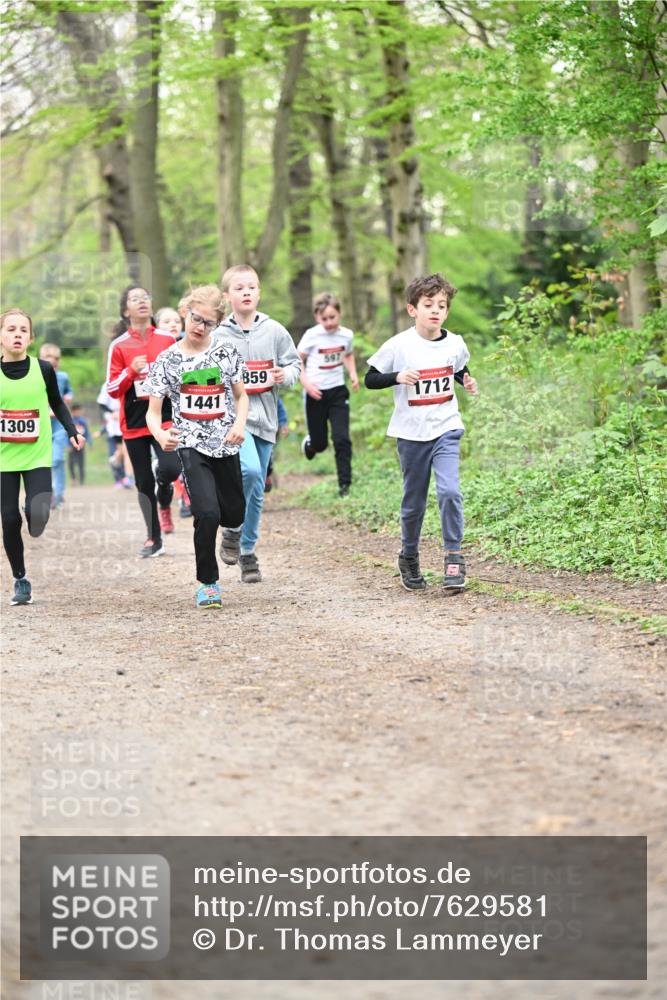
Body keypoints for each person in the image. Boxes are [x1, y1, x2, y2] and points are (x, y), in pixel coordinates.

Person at [365, 273, 478, 594]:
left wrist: (466, 381)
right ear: (412, 309)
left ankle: (454, 558)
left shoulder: (455, 342)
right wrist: (397, 376)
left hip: (446, 428)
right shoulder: (399, 344)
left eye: (442, 305)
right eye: (429, 305)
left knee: (450, 491)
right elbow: (371, 378)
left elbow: (458, 368)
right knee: (414, 502)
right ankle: (409, 556)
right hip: (411, 433)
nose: (436, 310)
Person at [144, 285, 248, 608]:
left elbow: (241, 395)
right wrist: (160, 435)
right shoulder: (168, 359)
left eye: (208, 322)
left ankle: (233, 532)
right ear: (184, 313)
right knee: (206, 512)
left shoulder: (226, 351)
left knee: (234, 512)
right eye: (195, 318)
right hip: (190, 444)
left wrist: (239, 424)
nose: (200, 326)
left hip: (226, 443)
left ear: (218, 324)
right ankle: (208, 583)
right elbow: (152, 412)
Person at [213, 264, 301, 583]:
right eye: (239, 288)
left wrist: (283, 375)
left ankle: (247, 552)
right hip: (233, 420)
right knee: (249, 471)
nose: (246, 292)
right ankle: (233, 530)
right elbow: (204, 372)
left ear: (259, 292)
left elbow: (294, 365)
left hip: (266, 418)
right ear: (227, 296)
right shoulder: (218, 335)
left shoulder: (274, 330)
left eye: (251, 287)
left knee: (258, 487)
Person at [0, 309, 84, 605]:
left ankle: (34, 517)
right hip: (3, 459)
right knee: (9, 519)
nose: (17, 334)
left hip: (37, 454)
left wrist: (72, 430)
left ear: (31, 338)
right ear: (1, 336)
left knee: (37, 515)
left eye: (23, 330)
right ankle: (20, 579)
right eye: (11, 329)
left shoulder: (44, 369)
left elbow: (57, 403)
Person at [106, 286, 181, 557]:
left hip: (165, 418)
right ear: (126, 310)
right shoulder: (119, 345)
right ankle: (153, 538)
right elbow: (111, 388)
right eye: (135, 299)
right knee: (142, 482)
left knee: (171, 469)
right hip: (134, 422)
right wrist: (130, 371)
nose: (142, 302)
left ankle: (165, 486)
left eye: (146, 297)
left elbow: (182, 376)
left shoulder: (167, 339)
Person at [298, 292, 358, 497]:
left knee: (342, 439)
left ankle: (344, 485)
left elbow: (348, 354)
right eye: (324, 319)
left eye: (332, 317)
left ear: (339, 313)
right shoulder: (311, 336)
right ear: (317, 317)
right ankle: (311, 444)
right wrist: (307, 384)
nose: (329, 322)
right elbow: (297, 360)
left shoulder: (346, 335)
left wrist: (352, 373)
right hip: (316, 393)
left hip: (338, 392)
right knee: (320, 444)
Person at [38, 343, 73, 510]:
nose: (53, 361)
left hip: (59, 425)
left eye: (56, 358)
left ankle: (58, 494)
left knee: (57, 459)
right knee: (41, 462)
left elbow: (69, 392)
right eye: (48, 358)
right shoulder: (34, 376)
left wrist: (68, 397)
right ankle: (46, 493)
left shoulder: (63, 377)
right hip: (40, 425)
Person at [264, 397, 288, 493]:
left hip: (271, 429)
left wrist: (283, 423)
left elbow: (279, 406)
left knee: (268, 453)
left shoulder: (269, 393)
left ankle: (267, 476)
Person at [67, 404, 92, 484]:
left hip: (81, 445)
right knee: (71, 463)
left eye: (78, 411)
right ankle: (73, 478)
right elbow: (66, 433)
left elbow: (87, 433)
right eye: (76, 411)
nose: (77, 412)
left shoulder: (82, 421)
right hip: (72, 445)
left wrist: (90, 443)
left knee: (81, 463)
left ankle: (81, 481)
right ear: (72, 411)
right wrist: (67, 445)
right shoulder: (70, 421)